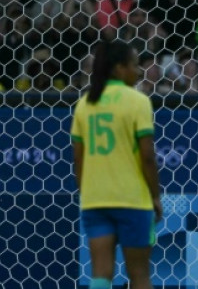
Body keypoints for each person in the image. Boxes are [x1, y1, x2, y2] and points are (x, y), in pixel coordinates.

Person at [70, 40, 163, 289]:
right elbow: (147, 157)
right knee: (139, 274)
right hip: (132, 199)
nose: (138, 71)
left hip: (95, 200)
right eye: (134, 65)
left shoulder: (85, 104)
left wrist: (86, 192)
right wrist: (155, 196)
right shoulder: (138, 101)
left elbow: (78, 158)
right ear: (119, 68)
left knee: (101, 273)